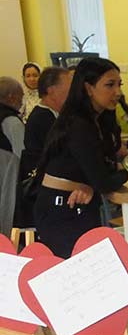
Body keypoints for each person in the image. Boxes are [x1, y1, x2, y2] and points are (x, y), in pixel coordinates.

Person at [33, 58, 127, 258]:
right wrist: (123, 174)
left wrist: (91, 184)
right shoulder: (79, 124)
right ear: (88, 88)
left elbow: (98, 175)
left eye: (119, 84)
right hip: (61, 210)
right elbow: (105, 181)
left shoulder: (96, 121)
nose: (117, 92)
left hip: (76, 204)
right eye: (110, 85)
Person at [17, 67, 72, 227]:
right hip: (46, 191)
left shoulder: (53, 115)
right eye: (68, 89)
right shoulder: (43, 119)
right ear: (52, 91)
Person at [0, 77, 25, 158]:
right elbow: (21, 154)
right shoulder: (12, 122)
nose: (22, 102)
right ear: (12, 98)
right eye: (21, 96)